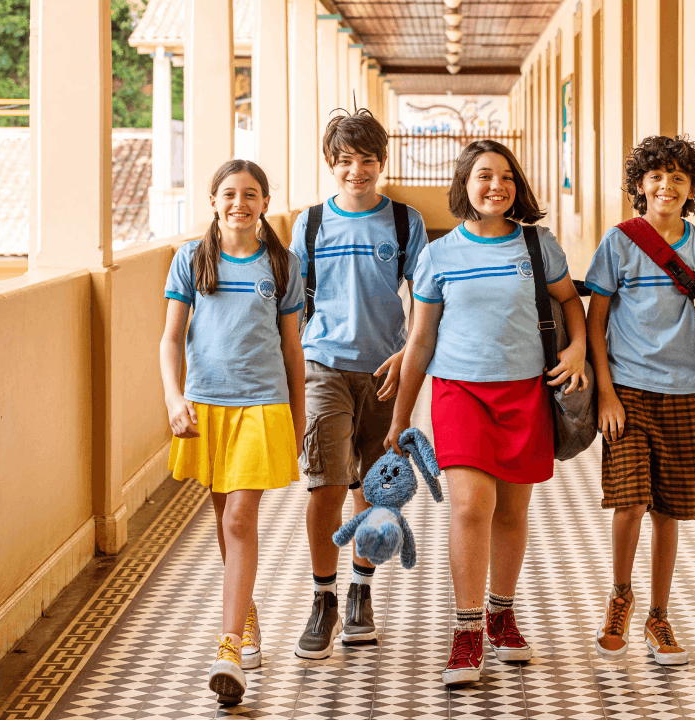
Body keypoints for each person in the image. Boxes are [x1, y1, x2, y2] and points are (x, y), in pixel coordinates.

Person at [385, 139, 588, 685]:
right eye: (482, 176)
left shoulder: (538, 246)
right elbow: (420, 339)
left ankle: (502, 613)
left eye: (505, 177)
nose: (495, 186)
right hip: (460, 393)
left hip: (526, 391)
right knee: (471, 506)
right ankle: (468, 628)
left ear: (516, 186)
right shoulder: (440, 255)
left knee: (511, 511)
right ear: (464, 186)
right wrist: (401, 417)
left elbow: (570, 301)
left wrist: (577, 349)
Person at [159, 159, 305, 703]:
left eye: (250, 194)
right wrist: (175, 398)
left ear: (265, 203)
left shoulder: (283, 265)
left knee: (242, 516)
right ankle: (245, 617)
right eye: (228, 194)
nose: (239, 203)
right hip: (206, 407)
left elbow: (292, 347)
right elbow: (171, 341)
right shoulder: (191, 261)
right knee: (226, 522)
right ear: (213, 201)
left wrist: (298, 414)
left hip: (262, 406)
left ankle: (226, 647)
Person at [584, 135, 695, 665]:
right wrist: (605, 394)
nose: (665, 186)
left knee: (669, 510)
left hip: (681, 393)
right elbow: (595, 323)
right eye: (656, 176)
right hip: (625, 389)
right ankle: (620, 596)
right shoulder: (619, 242)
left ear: (692, 190)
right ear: (639, 185)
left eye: (678, 178)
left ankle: (659, 616)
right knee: (631, 502)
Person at [289, 109, 429, 660]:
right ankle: (323, 598)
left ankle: (360, 591)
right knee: (325, 483)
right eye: (345, 160)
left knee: (373, 492)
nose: (357, 170)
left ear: (381, 162)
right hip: (324, 365)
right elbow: (292, 299)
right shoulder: (310, 223)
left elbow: (425, 297)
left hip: (384, 371)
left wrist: (407, 353)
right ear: (331, 164)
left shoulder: (404, 222)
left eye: (367, 160)